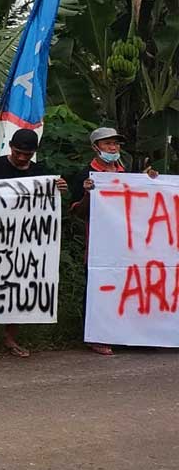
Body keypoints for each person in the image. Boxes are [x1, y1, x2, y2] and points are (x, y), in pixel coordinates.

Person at [0, 129, 68, 359]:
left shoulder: (41, 174)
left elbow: (49, 203)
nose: (22, 158)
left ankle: (10, 337)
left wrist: (59, 190)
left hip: (24, 240)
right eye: (18, 153)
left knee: (19, 285)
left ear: (34, 153)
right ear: (10, 147)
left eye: (28, 154)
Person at [68, 127, 159, 356]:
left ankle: (127, 335)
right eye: (108, 144)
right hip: (99, 245)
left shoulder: (125, 174)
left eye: (115, 144)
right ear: (95, 148)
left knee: (125, 288)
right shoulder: (85, 175)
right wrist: (88, 194)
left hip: (126, 245)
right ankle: (97, 337)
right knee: (99, 289)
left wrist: (152, 183)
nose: (113, 148)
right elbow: (78, 214)